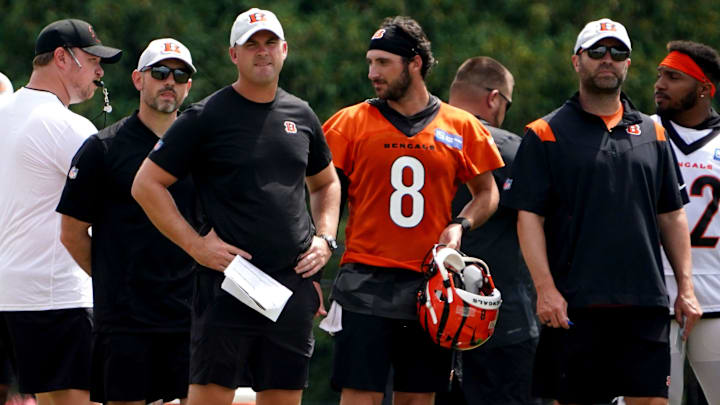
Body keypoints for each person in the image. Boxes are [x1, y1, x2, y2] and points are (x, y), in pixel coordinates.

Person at [131, 8, 340, 405]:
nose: (262, 53)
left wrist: (325, 238)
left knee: (282, 396)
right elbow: (146, 185)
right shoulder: (204, 117)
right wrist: (195, 246)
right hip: (228, 284)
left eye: (269, 44)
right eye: (251, 45)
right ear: (234, 54)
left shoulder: (302, 114)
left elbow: (326, 183)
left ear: (284, 50)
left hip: (291, 283)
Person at [503, 18, 702, 405]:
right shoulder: (544, 133)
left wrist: (686, 288)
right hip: (575, 305)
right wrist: (545, 291)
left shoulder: (653, 133)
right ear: (576, 61)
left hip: (644, 303)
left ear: (628, 64)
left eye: (618, 52)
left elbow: (672, 215)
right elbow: (528, 217)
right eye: (597, 51)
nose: (607, 60)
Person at [323, 16, 503, 405]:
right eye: (370, 62)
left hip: (430, 286)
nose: (373, 73)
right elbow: (321, 189)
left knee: (418, 399)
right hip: (363, 282)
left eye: (383, 62)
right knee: (359, 397)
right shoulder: (348, 122)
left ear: (415, 62)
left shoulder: (462, 126)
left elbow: (487, 193)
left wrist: (460, 224)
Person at [56, 38, 196, 405]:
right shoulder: (103, 148)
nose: (171, 81)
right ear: (138, 80)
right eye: (161, 72)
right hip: (125, 320)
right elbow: (71, 233)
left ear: (189, 86)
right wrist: (114, 278)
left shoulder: (202, 151)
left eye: (180, 75)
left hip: (191, 316)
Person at [0, 18, 121, 405]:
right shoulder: (67, 127)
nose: (100, 71)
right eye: (92, 59)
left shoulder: (4, 111)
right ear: (61, 58)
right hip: (57, 298)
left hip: (12, 296)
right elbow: (120, 206)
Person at [436, 56, 541, 405]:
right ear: (494, 98)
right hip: (503, 320)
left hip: (429, 316)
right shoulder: (513, 148)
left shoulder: (418, 139)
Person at [653, 40, 720, 405]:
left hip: (717, 298)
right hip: (652, 300)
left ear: (704, 89)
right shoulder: (642, 132)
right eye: (660, 74)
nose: (659, 84)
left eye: (673, 77)